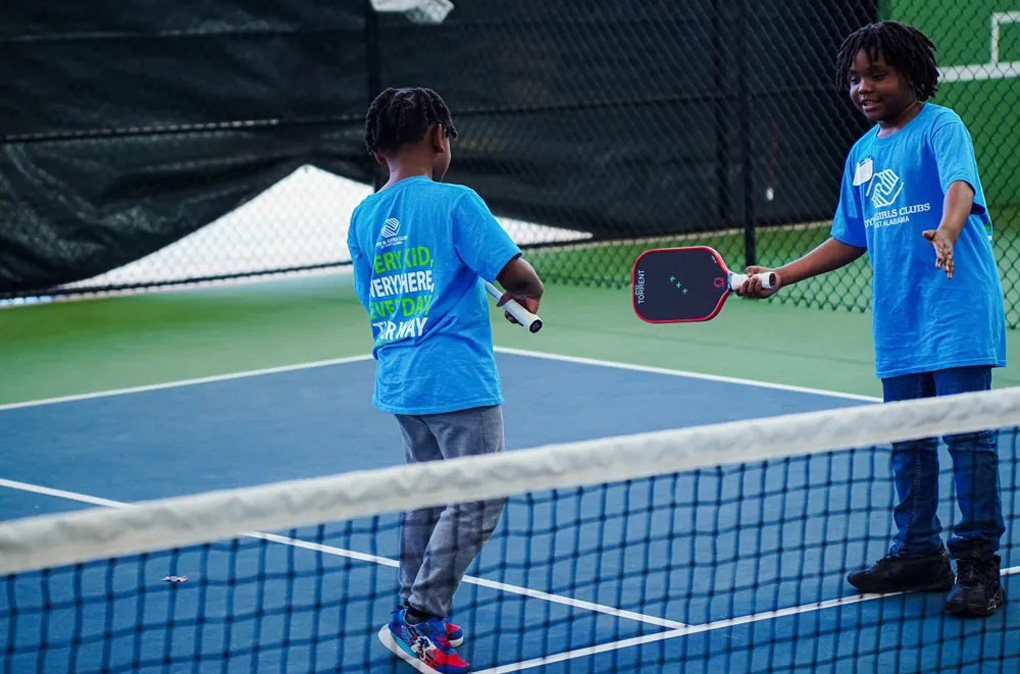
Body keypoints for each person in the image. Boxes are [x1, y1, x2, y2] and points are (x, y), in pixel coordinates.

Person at [737, 21, 1006, 617]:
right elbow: (847, 238)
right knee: (906, 442)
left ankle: (978, 564)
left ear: (913, 75)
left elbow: (958, 187)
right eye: (855, 77)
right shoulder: (862, 153)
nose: (863, 87)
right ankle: (917, 552)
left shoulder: (941, 126)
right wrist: (779, 276)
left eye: (877, 74)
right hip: (898, 322)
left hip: (957, 314)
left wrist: (950, 229)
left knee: (967, 438)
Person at [348, 87, 544, 673]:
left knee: (428, 495)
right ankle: (419, 615)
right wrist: (527, 290)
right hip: (458, 382)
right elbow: (517, 272)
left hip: (402, 382)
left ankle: (413, 607)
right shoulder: (457, 202)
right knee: (480, 495)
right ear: (440, 137)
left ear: (378, 149)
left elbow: (371, 296)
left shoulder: (361, 217)